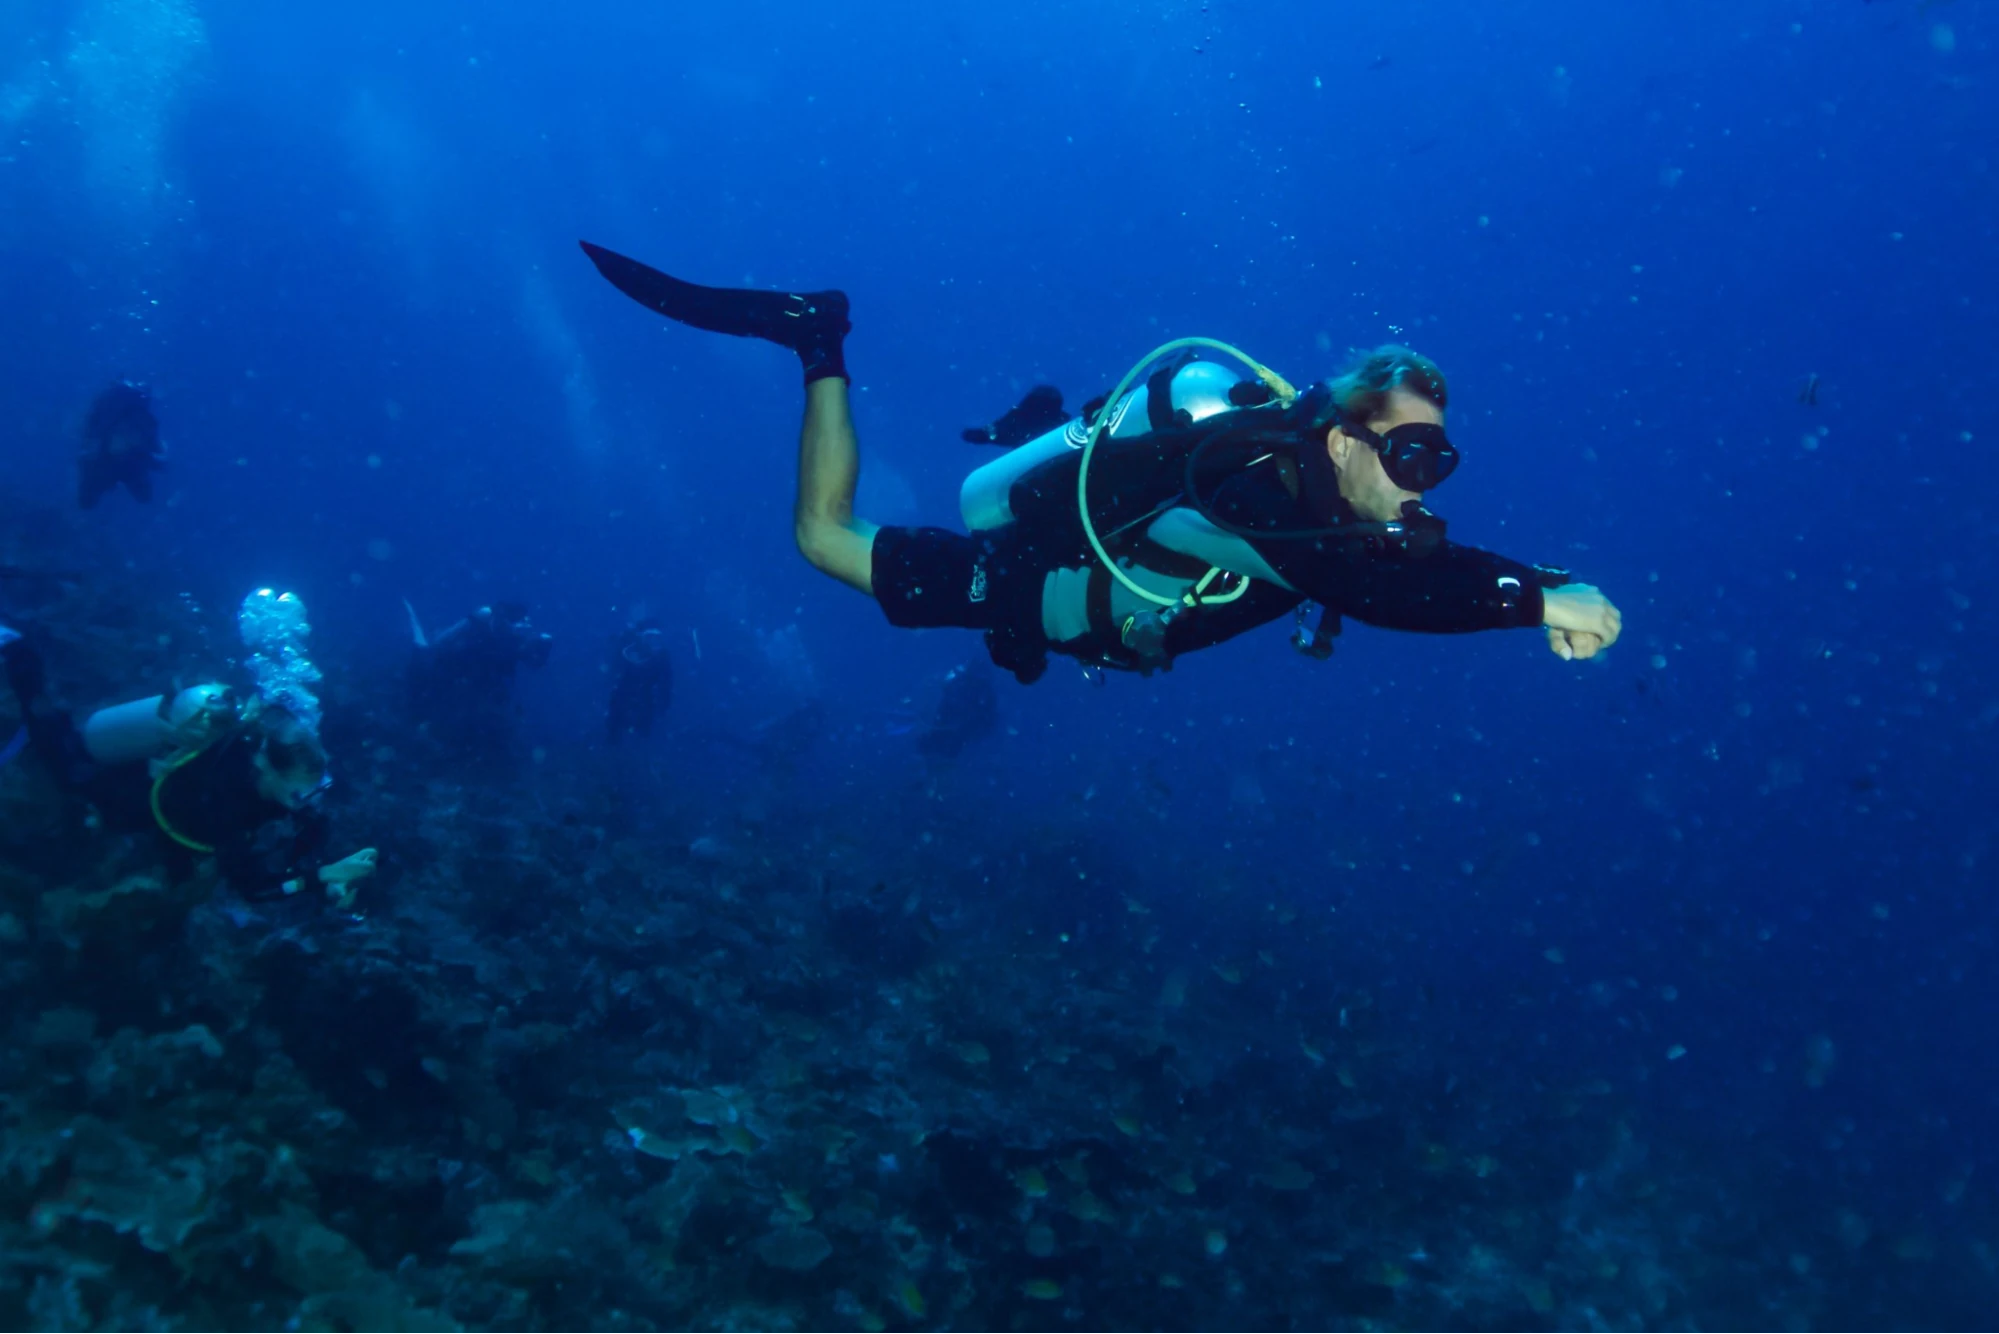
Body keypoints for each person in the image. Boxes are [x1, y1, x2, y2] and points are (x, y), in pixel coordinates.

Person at [578, 243, 1622, 685]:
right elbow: (1364, 585)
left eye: (1436, 457)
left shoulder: (1329, 499)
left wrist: (1529, 587)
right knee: (820, 538)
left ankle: (1029, 413)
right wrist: (1535, 600)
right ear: (1344, 437)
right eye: (1404, 451)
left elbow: (1399, 565)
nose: (1417, 480)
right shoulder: (1256, 481)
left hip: (1087, 600)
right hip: (1035, 575)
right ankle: (816, 338)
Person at [0, 623, 375, 906]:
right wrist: (322, 876)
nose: (308, 799)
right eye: (303, 790)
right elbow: (255, 889)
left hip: (179, 803)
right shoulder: (226, 803)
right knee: (69, 769)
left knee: (75, 749)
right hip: (133, 795)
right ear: (268, 771)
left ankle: (59, 716)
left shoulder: (275, 778)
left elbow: (310, 829)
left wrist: (325, 872)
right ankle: (20, 656)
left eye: (317, 786)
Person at [405, 600, 553, 728]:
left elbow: (499, 674)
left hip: (464, 665)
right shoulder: (506, 637)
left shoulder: (512, 644)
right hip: (457, 660)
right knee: (431, 660)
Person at [77, 381, 167, 508]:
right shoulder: (98, 458)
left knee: (144, 496)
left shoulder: (137, 450)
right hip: (109, 461)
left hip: (120, 461)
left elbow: (159, 459)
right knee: (87, 502)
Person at [606, 617, 672, 744]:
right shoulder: (628, 651)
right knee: (616, 713)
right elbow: (615, 672)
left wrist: (664, 704)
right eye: (649, 637)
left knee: (645, 723)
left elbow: (667, 683)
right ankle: (613, 741)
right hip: (625, 689)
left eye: (656, 638)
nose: (653, 643)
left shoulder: (663, 657)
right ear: (641, 637)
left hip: (647, 693)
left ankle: (640, 743)